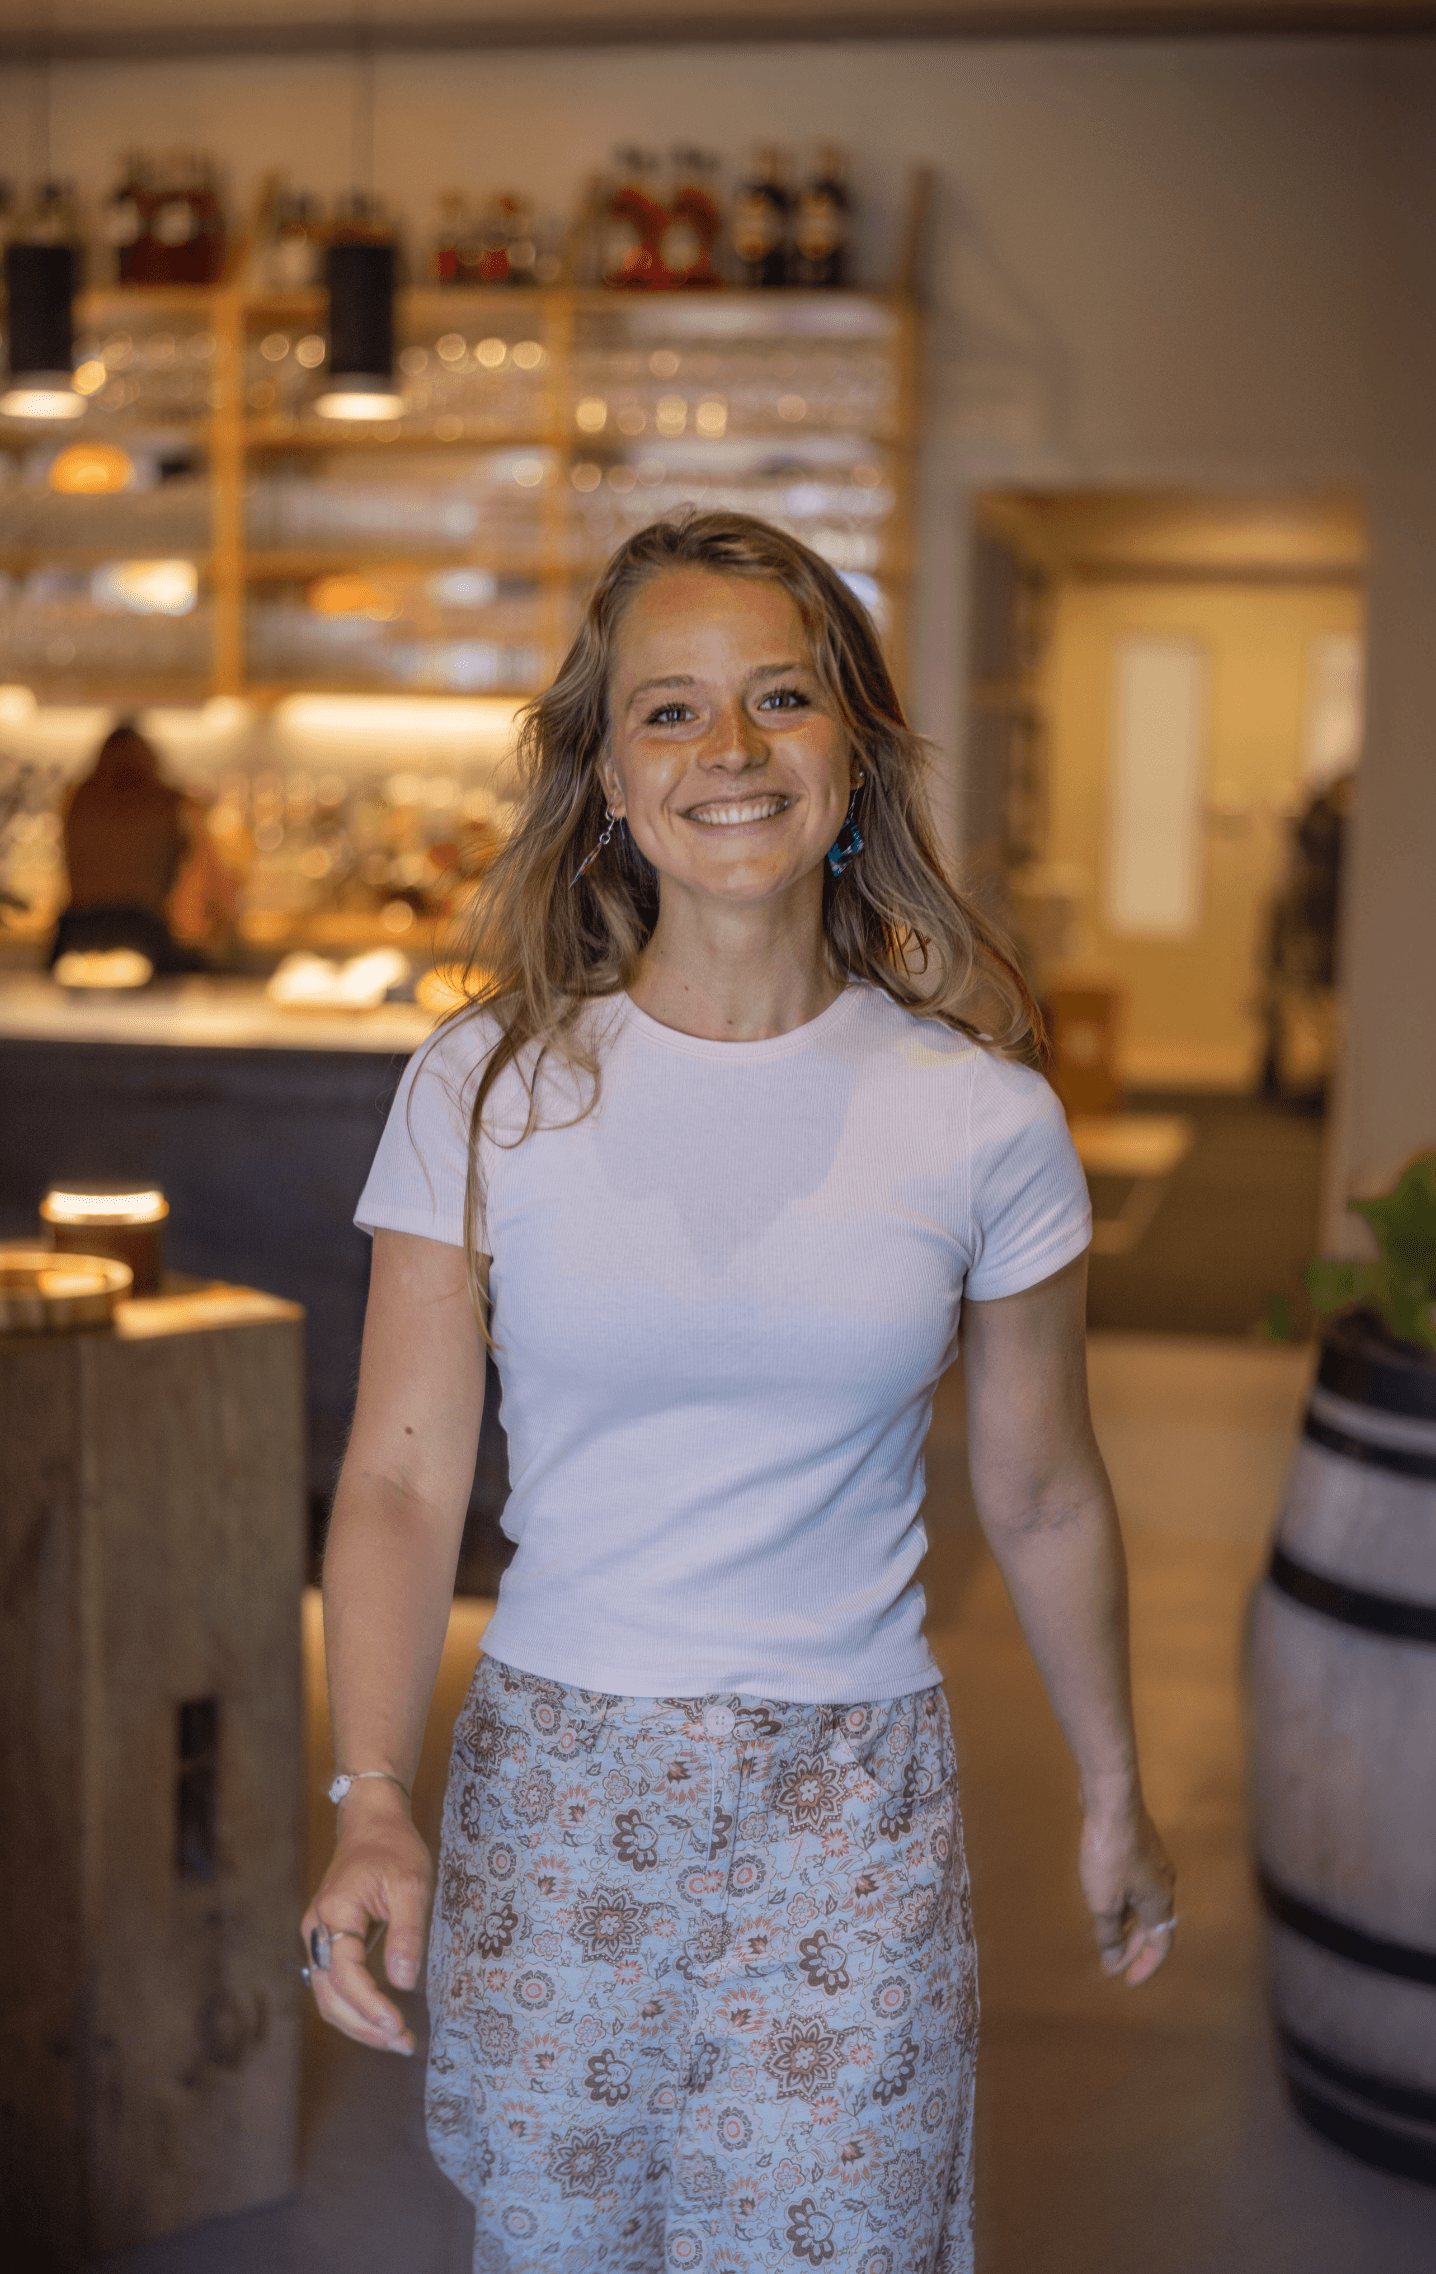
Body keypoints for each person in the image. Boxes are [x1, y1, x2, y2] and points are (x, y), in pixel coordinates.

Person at [303, 511, 1175, 2273]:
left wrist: (1111, 1785)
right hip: (558, 1787)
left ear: (850, 747)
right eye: (671, 711)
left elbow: (1043, 1489)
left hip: (852, 1804)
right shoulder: (487, 1087)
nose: (730, 750)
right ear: (606, 776)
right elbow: (402, 1475)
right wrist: (369, 1792)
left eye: (779, 696)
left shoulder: (981, 1115)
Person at [51, 721, 234, 975]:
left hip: (74, 936)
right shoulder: (170, 803)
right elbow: (213, 879)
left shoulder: (76, 799)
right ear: (151, 759)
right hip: (143, 935)